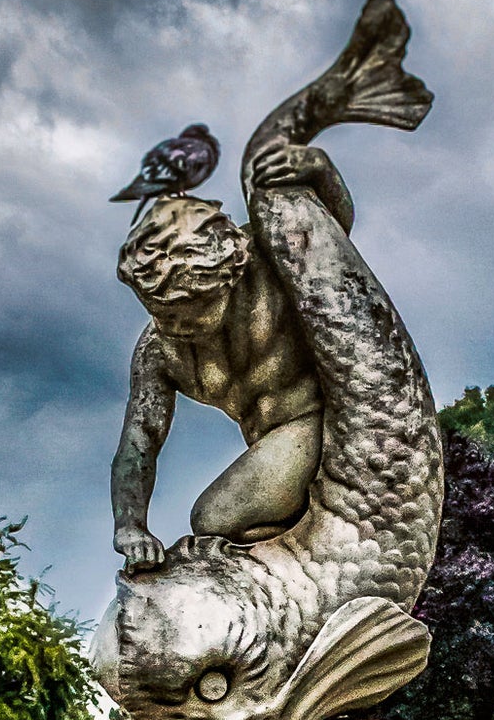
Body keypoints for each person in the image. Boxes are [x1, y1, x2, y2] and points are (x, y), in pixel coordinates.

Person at [108, 133, 354, 572]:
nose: (182, 329)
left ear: (230, 277)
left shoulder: (264, 263)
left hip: (328, 423)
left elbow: (334, 230)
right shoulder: (158, 351)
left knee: (213, 519)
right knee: (220, 529)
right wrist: (130, 525)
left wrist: (317, 169)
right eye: (166, 316)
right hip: (273, 450)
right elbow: (140, 439)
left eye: (195, 313)